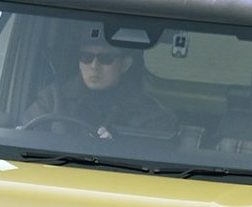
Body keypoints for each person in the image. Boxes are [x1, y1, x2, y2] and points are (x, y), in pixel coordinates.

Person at [21, 39, 176, 138]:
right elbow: (26, 138)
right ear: (80, 63)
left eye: (105, 58)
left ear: (125, 65)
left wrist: (117, 149)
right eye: (87, 57)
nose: (94, 66)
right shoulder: (52, 98)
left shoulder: (150, 114)